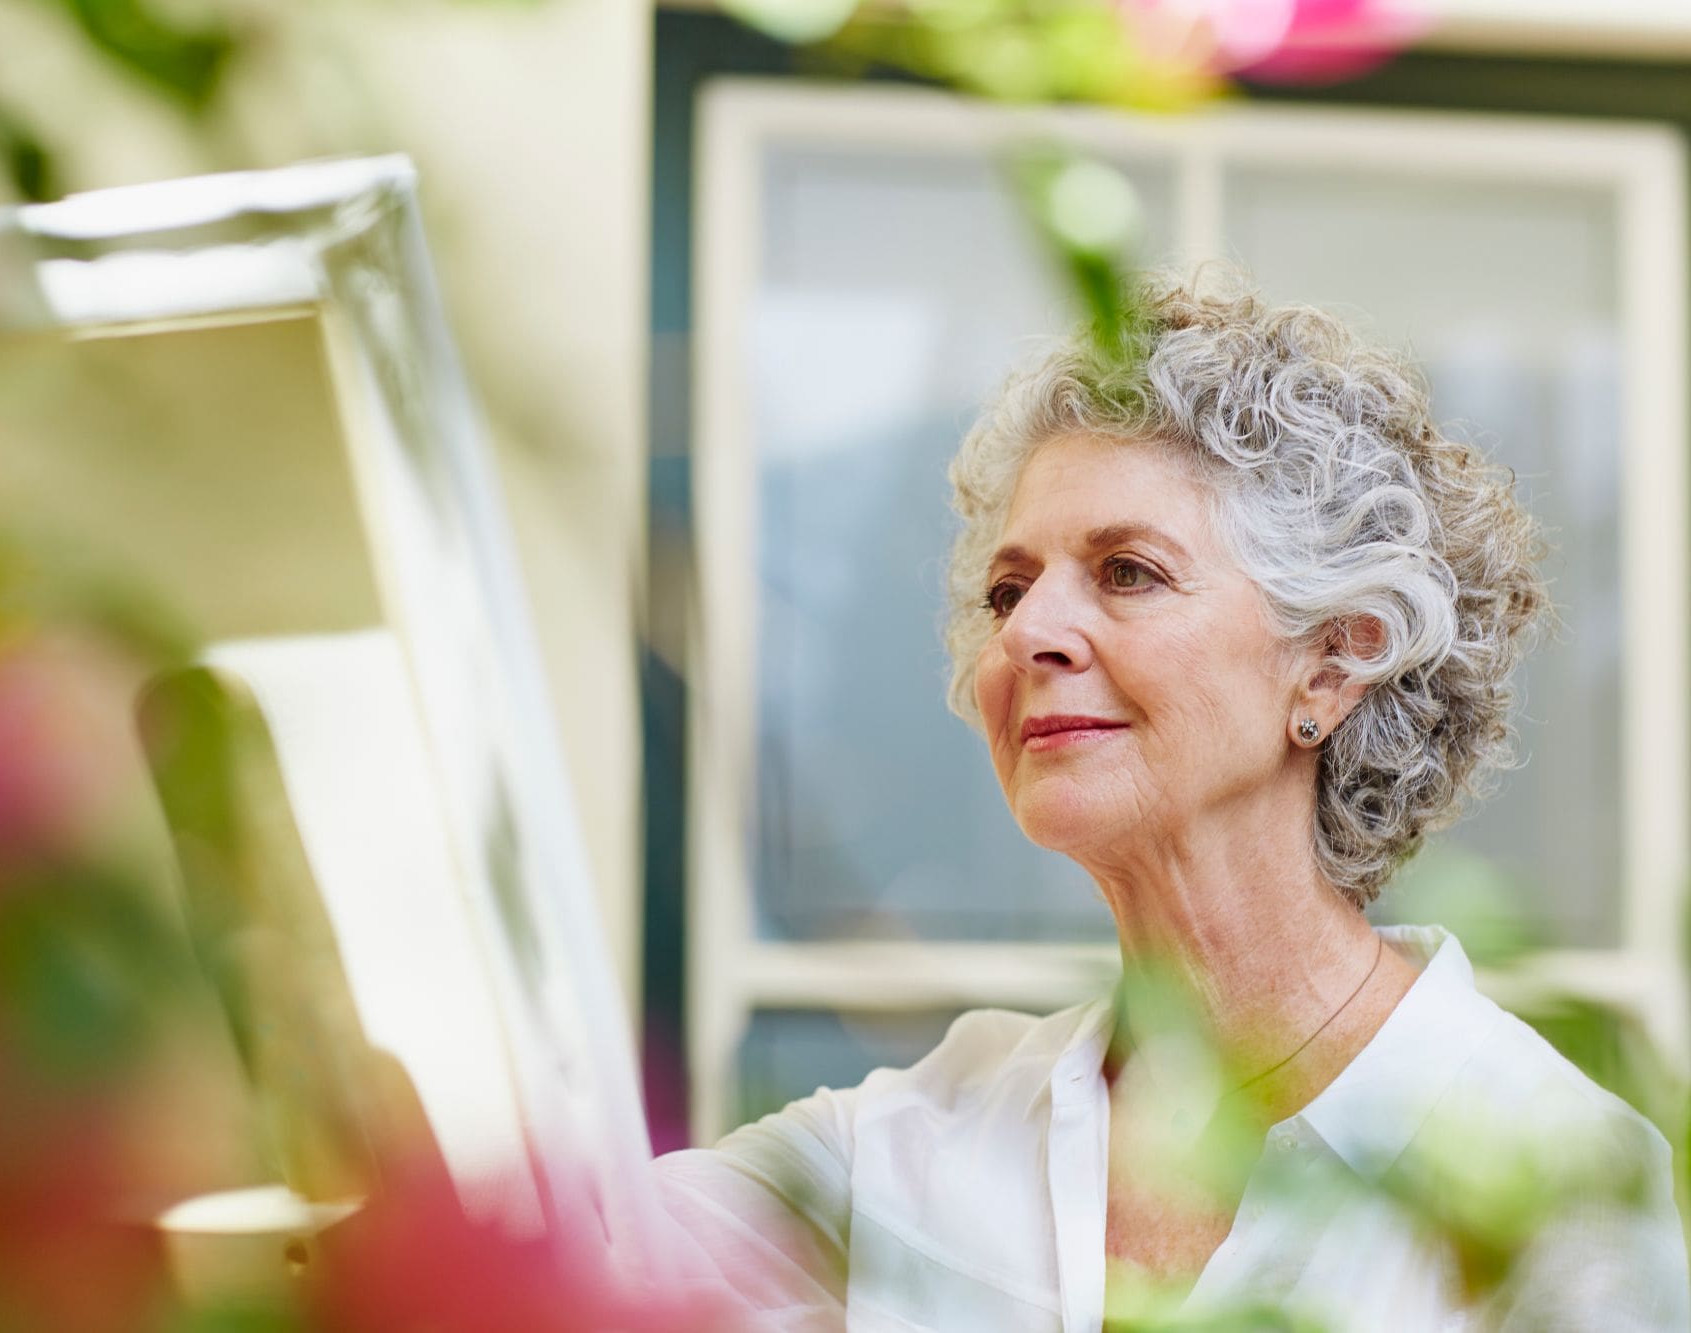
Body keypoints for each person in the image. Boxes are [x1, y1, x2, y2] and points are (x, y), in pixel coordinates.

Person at [652, 269, 1690, 1331]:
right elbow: (548, 1261)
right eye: (1008, 590)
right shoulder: (910, 1142)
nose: (1023, 633)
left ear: (1331, 662)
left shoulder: (1557, 1185)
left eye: (1127, 571)